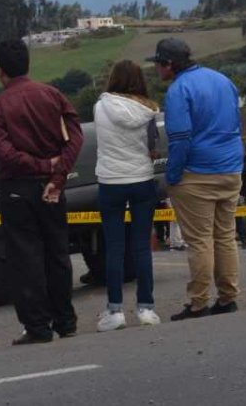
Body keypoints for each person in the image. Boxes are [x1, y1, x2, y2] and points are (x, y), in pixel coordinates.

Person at [0, 40, 83, 345]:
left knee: (25, 259)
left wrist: (39, 165)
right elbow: (76, 137)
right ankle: (66, 321)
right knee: (57, 253)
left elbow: (5, 153)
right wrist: (58, 173)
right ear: (28, 64)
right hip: (53, 188)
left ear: (0, 71)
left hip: (18, 189)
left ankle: (38, 327)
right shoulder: (53, 95)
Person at [150, 38, 244, 322]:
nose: (156, 68)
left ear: (169, 64)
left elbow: (179, 139)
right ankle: (228, 297)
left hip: (197, 172)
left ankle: (198, 301)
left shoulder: (179, 89)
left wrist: (173, 175)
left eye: (158, 63)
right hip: (230, 167)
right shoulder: (222, 80)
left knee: (200, 240)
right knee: (225, 236)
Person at [92, 60, 161, 332]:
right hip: (142, 179)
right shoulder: (148, 110)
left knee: (115, 247)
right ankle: (146, 308)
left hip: (110, 181)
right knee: (142, 246)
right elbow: (153, 148)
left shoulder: (100, 107)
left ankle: (115, 311)